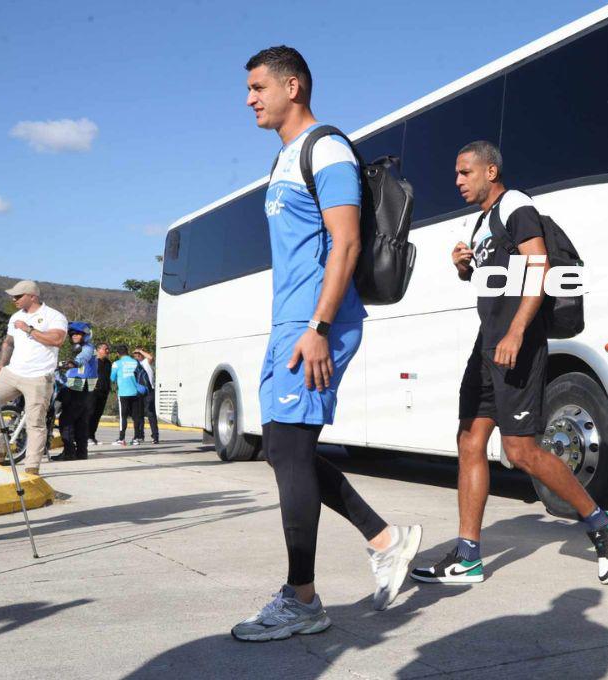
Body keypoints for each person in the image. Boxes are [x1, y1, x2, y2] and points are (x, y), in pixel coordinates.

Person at [231, 45, 421, 643]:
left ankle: (303, 600)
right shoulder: (285, 159)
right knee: (284, 452)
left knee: (287, 452)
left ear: (294, 86)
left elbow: (346, 244)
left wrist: (317, 326)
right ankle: (386, 540)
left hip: (317, 324)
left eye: (259, 87)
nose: (250, 99)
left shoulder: (327, 149)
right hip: (292, 322)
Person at [409, 141, 608, 587]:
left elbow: (539, 267)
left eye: (465, 172)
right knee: (470, 440)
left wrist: (516, 332)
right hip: (486, 345)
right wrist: (462, 266)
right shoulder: (485, 223)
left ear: (491, 171)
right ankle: (469, 555)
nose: (457, 181)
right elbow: (496, 278)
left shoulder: (516, 205)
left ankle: (602, 523)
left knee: (520, 451)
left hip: (518, 345)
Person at [0, 280, 67, 476]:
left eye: (18, 296)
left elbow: (57, 340)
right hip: (12, 372)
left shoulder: (53, 316)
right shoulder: (15, 317)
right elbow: (8, 343)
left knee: (35, 422)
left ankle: (32, 467)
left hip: (39, 377)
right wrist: (1, 364)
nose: (14, 299)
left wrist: (29, 329)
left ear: (32, 296)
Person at [57, 322, 97, 461]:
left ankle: (69, 452)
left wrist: (73, 363)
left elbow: (82, 359)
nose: (74, 336)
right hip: (84, 386)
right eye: (72, 334)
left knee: (66, 419)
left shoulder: (87, 348)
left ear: (85, 335)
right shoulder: (77, 349)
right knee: (81, 421)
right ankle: (81, 452)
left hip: (79, 385)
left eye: (78, 334)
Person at [110, 345, 143, 446]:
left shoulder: (116, 363)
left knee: (123, 417)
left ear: (118, 354)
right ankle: (136, 438)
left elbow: (112, 378)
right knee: (136, 417)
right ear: (127, 352)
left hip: (123, 393)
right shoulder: (135, 362)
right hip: (135, 392)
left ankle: (121, 438)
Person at [87, 343, 112, 446]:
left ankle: (92, 436)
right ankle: (86, 437)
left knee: (97, 415)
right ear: (98, 350)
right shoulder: (91, 361)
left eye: (107, 349)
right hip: (92, 392)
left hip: (103, 392)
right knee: (90, 414)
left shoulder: (108, 363)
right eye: (105, 349)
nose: (107, 351)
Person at [133, 348, 159, 444]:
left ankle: (155, 436)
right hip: (139, 391)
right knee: (139, 414)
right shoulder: (134, 364)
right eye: (135, 354)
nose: (137, 355)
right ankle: (140, 435)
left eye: (138, 354)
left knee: (150, 413)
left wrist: (141, 351)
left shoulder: (146, 362)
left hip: (149, 391)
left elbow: (151, 357)